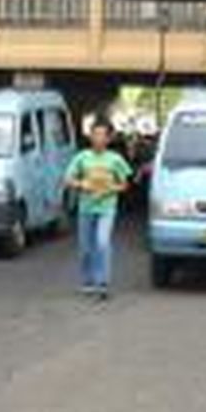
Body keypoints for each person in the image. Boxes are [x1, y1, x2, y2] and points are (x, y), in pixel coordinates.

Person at [64, 118, 132, 300]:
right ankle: (88, 281)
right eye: (95, 134)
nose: (98, 138)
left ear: (109, 138)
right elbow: (68, 180)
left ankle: (103, 283)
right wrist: (82, 184)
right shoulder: (81, 157)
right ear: (90, 136)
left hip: (107, 208)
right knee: (86, 247)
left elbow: (125, 184)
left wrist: (110, 189)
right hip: (85, 208)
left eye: (102, 135)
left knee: (102, 242)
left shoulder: (115, 159)